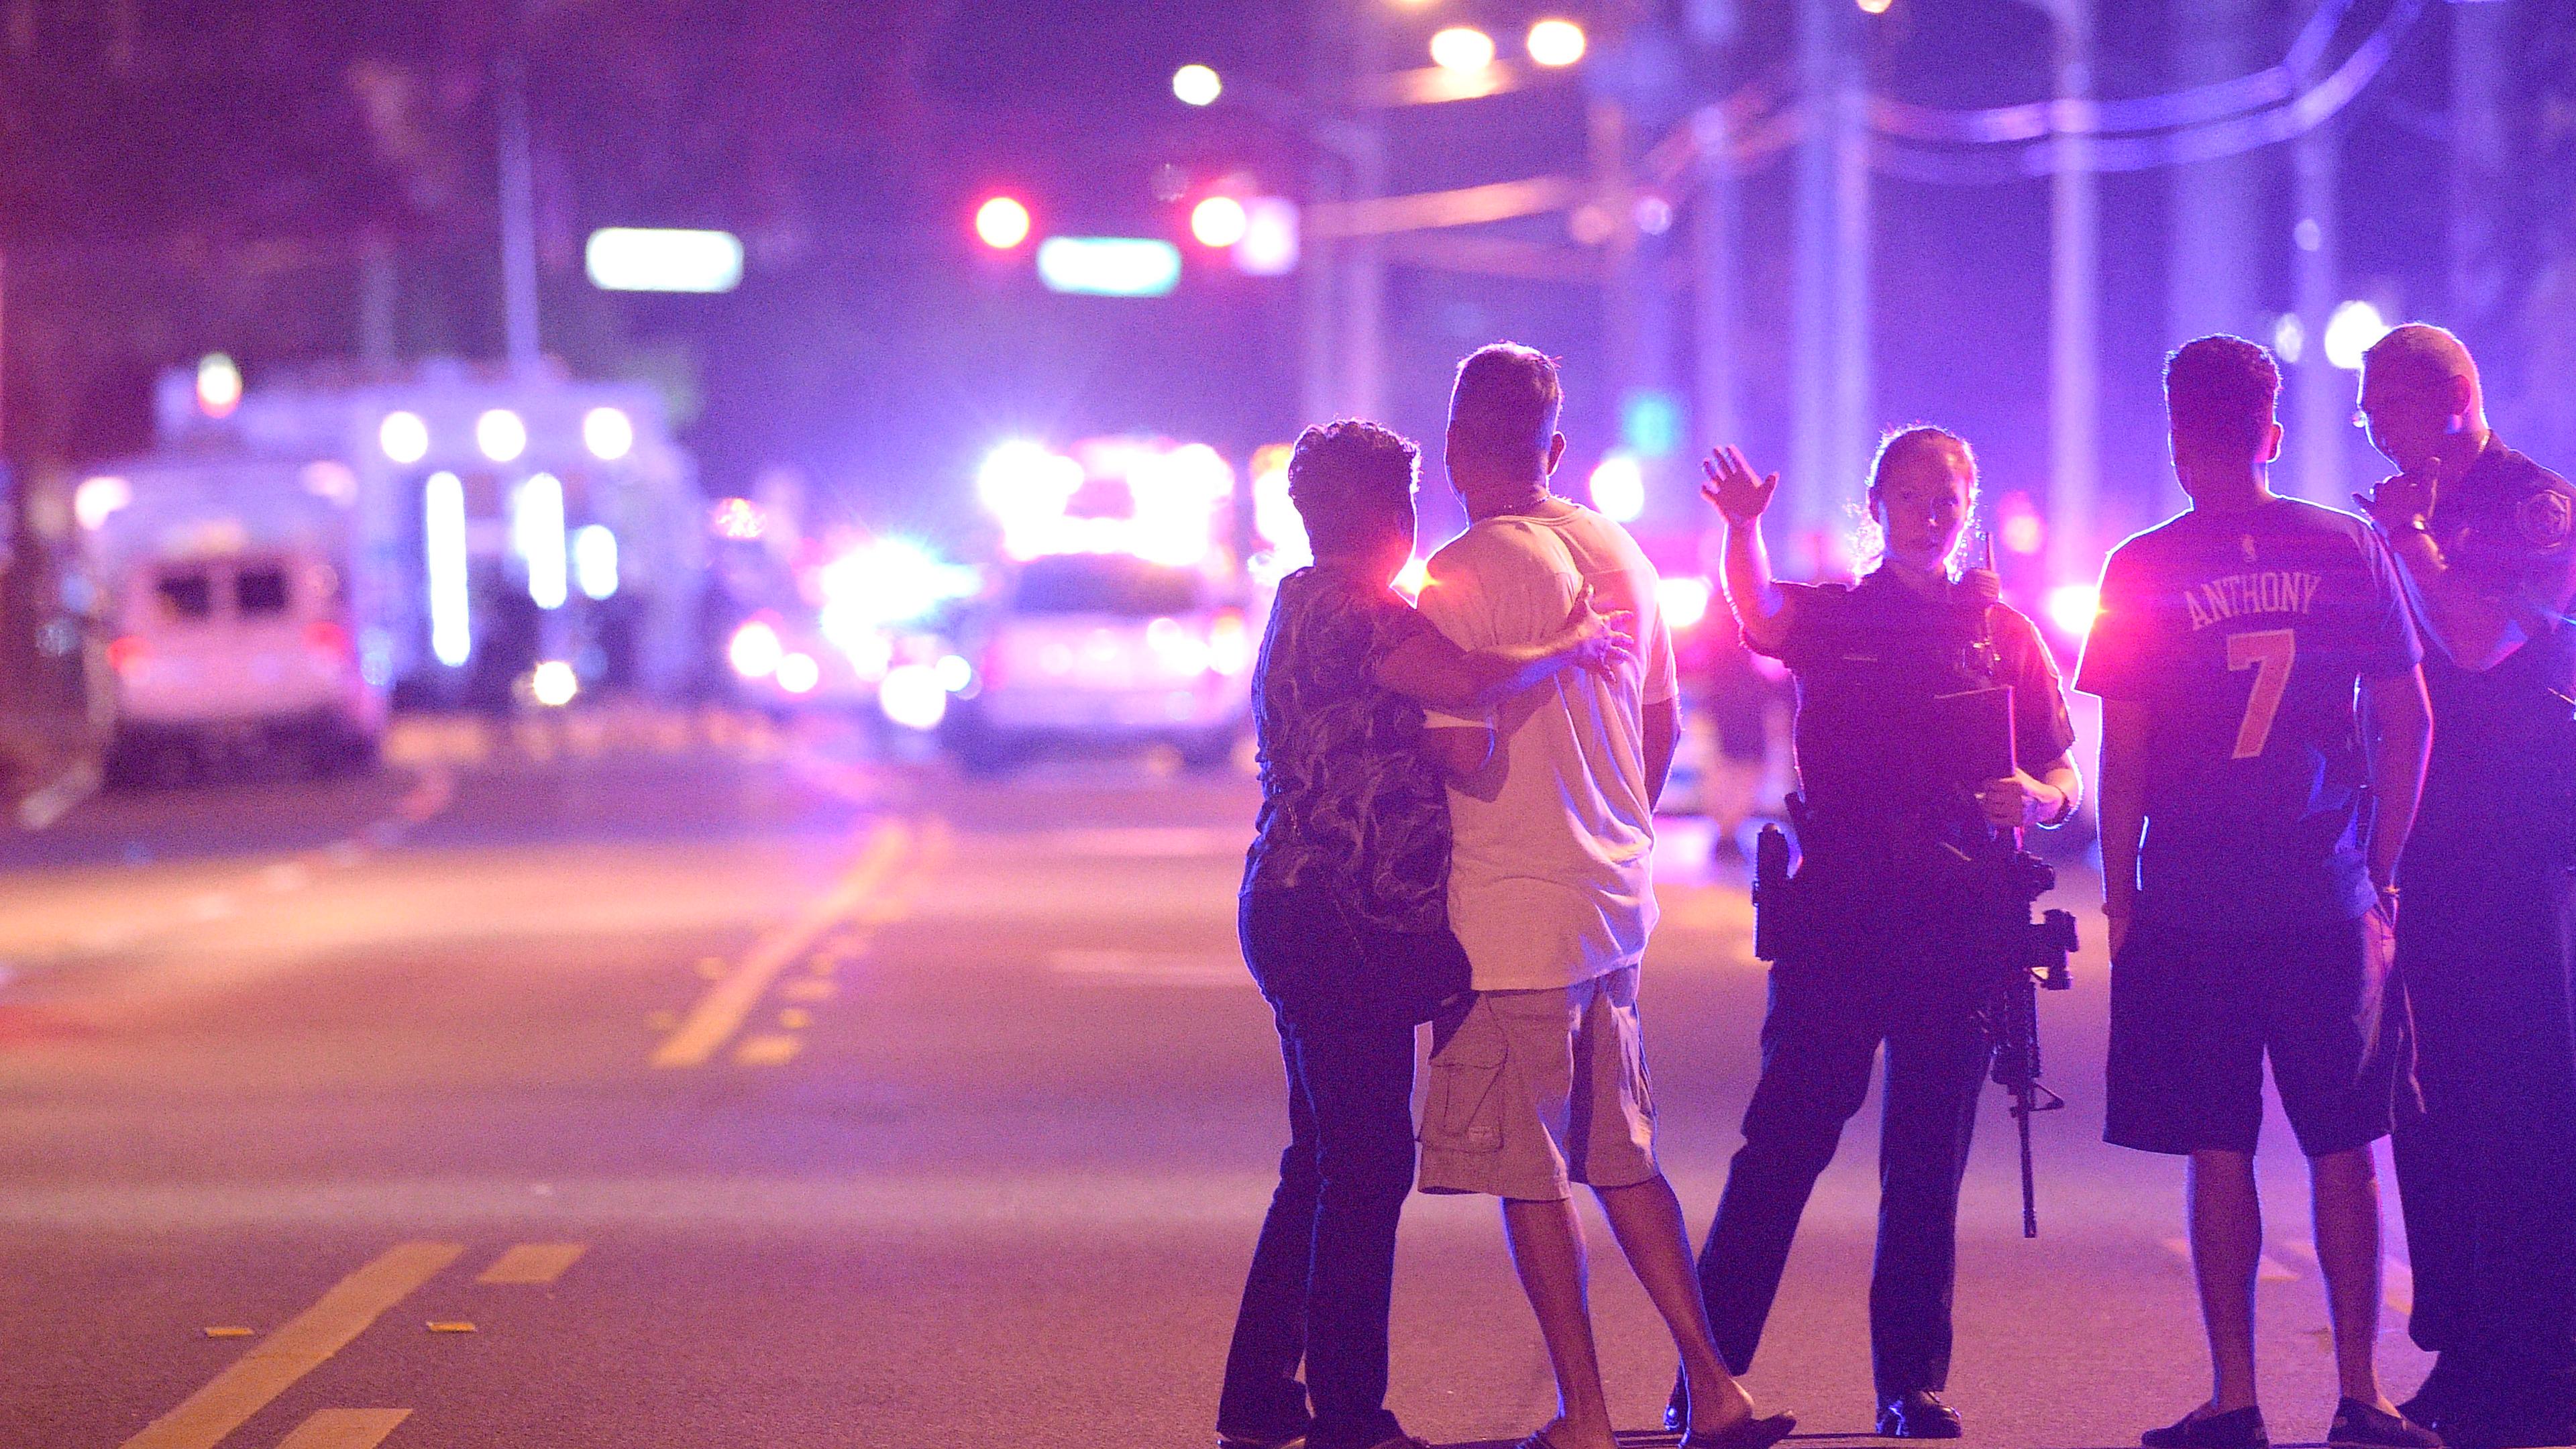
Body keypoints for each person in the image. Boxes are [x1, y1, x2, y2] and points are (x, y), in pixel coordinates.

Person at [1219, 419, 1638, 1449]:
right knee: (1364, 1167)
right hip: (1339, 922)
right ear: (1393, 517)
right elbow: (1466, 680)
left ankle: (1262, 1400)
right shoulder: (1356, 612)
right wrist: (1573, 644)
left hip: (1293, 907)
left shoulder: (1298, 600)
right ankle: (1351, 1414)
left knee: (1320, 1159)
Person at [1409, 343, 1794, 1449]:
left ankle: (1584, 1414)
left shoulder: (1462, 570)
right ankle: (1715, 1387)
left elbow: (1449, 749)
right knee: (1626, 1158)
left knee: (1529, 1173)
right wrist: (1609, 809)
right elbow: (1661, 726)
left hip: (1506, 913)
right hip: (1611, 899)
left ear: (1452, 451)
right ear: (1556, 449)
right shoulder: (1621, 552)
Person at [1681, 425, 2082, 1439]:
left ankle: (1911, 1385)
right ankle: (1708, 1378)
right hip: (1842, 918)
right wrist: (1742, 530)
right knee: (1782, 1147)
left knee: (1924, 1168)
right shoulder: (1838, 616)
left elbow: (2063, 777)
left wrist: (2032, 798)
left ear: (1972, 502)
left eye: (1949, 489)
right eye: (1909, 491)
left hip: (1958, 926)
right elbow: (1759, 617)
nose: (1931, 507)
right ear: (1878, 506)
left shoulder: (2006, 634)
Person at [2080, 335, 2436, 1449]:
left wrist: (2121, 888)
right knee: (2345, 1144)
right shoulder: (2348, 546)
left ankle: (2234, 1399)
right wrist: (2376, 869)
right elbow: (2410, 720)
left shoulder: (2139, 567)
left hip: (2192, 899)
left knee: (2217, 1146)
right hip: (2323, 895)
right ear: (2272, 435)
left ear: (2181, 443)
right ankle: (2361, 1396)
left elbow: (2123, 748)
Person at [2351, 323, 2576, 1449]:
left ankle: (2539, 1365)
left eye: (2384, 409)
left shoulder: (2534, 505)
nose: (2375, 434)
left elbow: (2486, 646)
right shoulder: (2407, 518)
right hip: (2428, 846)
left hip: (2520, 848)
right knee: (2432, 1111)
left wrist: (2418, 547)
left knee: (2522, 1107)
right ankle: (2465, 1345)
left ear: (2448, 400)